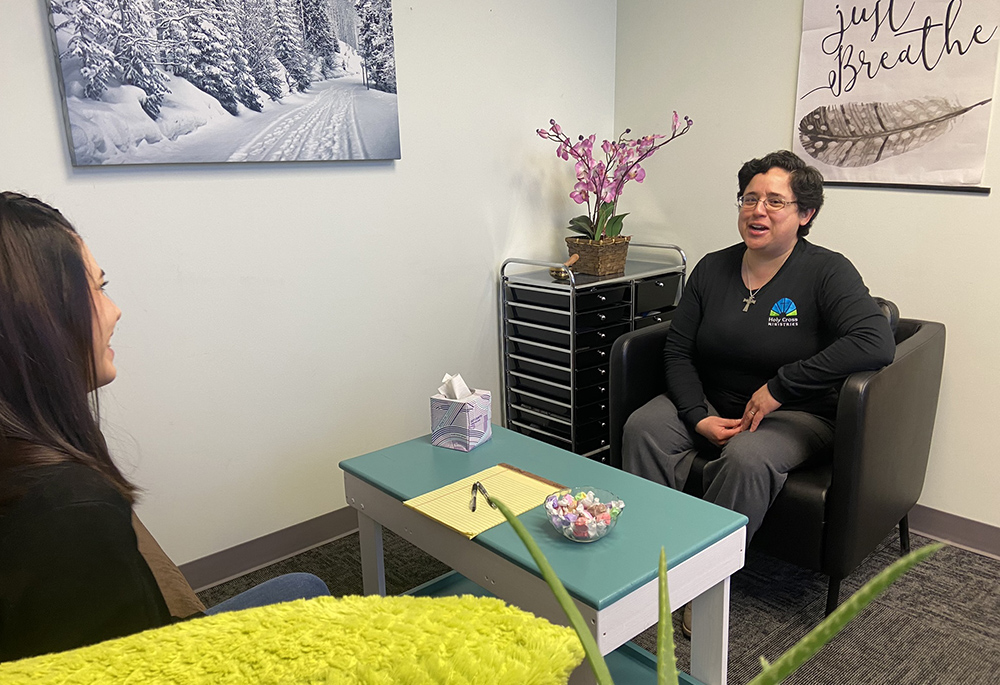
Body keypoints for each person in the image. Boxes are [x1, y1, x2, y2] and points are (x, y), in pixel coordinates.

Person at [0, 192, 330, 663]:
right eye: (96, 289)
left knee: (304, 586)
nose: (115, 310)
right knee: (310, 595)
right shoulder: (70, 509)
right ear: (38, 317)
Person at [623, 149, 895, 549]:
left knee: (745, 457)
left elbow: (875, 341)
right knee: (643, 428)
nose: (758, 211)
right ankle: (649, 550)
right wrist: (697, 415)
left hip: (796, 412)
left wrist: (780, 388)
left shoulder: (828, 271)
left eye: (775, 201)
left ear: (806, 214)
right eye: (749, 199)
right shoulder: (712, 268)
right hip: (715, 399)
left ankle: (702, 584)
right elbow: (678, 349)